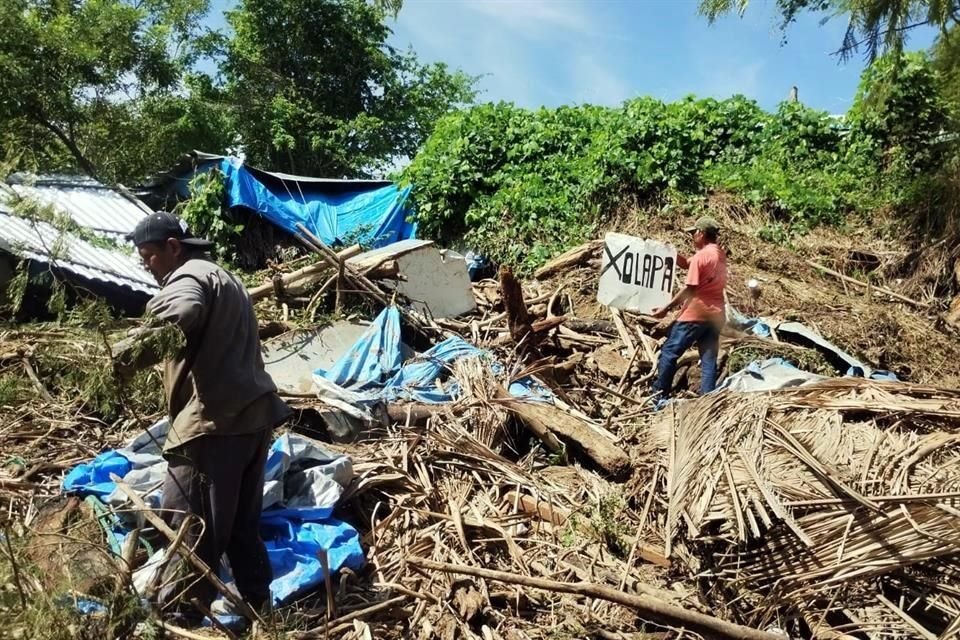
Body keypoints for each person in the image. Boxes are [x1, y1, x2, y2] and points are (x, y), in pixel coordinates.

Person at [114, 211, 291, 624]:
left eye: (149, 256)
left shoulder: (188, 277)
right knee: (240, 527)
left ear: (172, 248)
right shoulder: (222, 276)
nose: (146, 265)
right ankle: (262, 614)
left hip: (212, 426)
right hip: (251, 418)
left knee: (188, 530)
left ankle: (179, 621)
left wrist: (121, 358)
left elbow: (181, 312)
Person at [651, 216, 728, 398]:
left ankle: (658, 395)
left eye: (693, 233)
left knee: (669, 352)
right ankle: (707, 398)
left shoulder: (702, 256)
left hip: (696, 315)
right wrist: (671, 253)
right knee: (708, 358)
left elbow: (691, 288)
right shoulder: (718, 253)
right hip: (716, 315)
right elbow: (687, 264)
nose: (692, 236)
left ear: (701, 233)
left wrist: (666, 308)